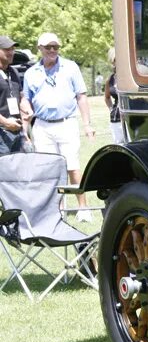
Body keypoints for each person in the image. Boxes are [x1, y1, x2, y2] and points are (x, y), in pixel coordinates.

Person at [19, 32, 95, 219]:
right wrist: (26, 111)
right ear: (40, 49)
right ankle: (57, 209)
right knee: (49, 168)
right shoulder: (30, 73)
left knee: (72, 166)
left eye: (55, 47)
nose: (52, 50)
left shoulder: (70, 67)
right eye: (48, 47)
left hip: (66, 123)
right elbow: (26, 99)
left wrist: (87, 124)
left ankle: (83, 208)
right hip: (42, 126)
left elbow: (81, 96)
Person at [0, 35, 28, 155]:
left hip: (17, 131)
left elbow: (21, 96)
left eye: (12, 49)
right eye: (7, 49)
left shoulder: (13, 72)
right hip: (2, 133)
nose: (11, 52)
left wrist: (27, 108)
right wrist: (6, 123)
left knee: (19, 169)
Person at [103, 47, 126, 145]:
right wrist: (111, 108)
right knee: (119, 145)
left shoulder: (131, 77)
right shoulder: (110, 79)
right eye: (116, 59)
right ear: (113, 62)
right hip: (116, 118)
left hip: (131, 117)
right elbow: (107, 97)